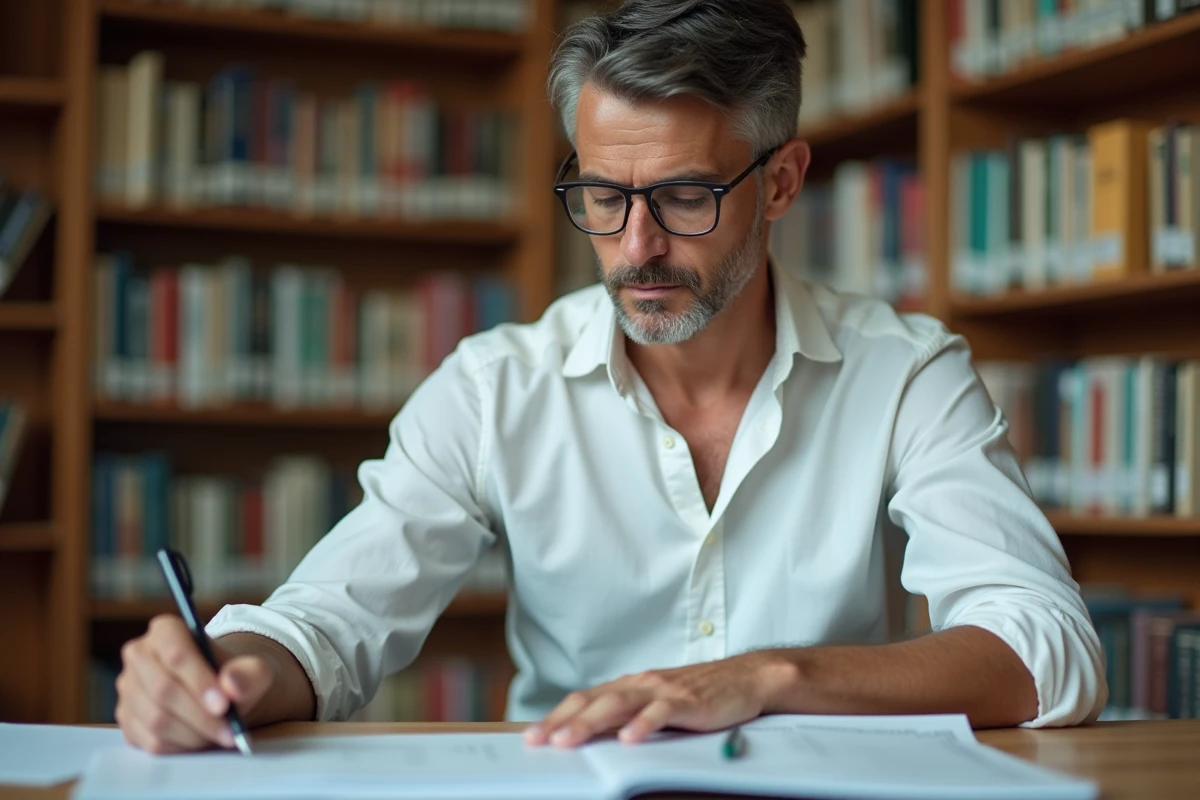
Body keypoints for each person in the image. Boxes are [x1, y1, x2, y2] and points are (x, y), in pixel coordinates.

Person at [114, 0, 1106, 755]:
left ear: (783, 181)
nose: (636, 246)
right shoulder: (495, 388)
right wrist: (227, 675)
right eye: (601, 193)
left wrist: (761, 676)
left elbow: (1047, 647)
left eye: (682, 196)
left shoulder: (908, 374)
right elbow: (326, 626)